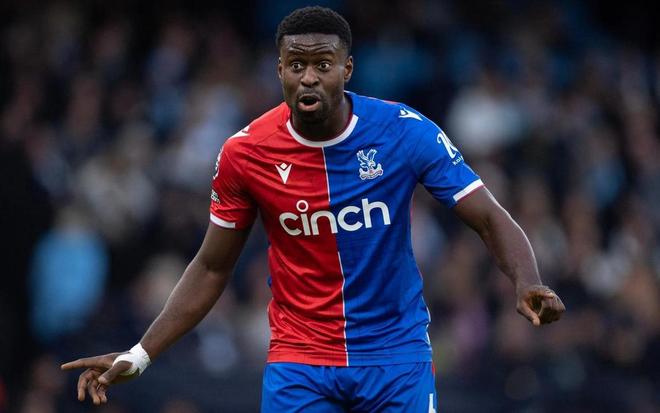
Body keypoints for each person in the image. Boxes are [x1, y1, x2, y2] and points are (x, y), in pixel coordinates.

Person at [61, 6, 565, 412]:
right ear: (279, 69)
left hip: (395, 357)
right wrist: (141, 354)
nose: (308, 78)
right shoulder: (246, 153)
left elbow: (488, 216)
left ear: (347, 69)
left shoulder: (404, 132)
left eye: (323, 65)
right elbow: (212, 267)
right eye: (296, 65)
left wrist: (527, 280)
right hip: (301, 362)